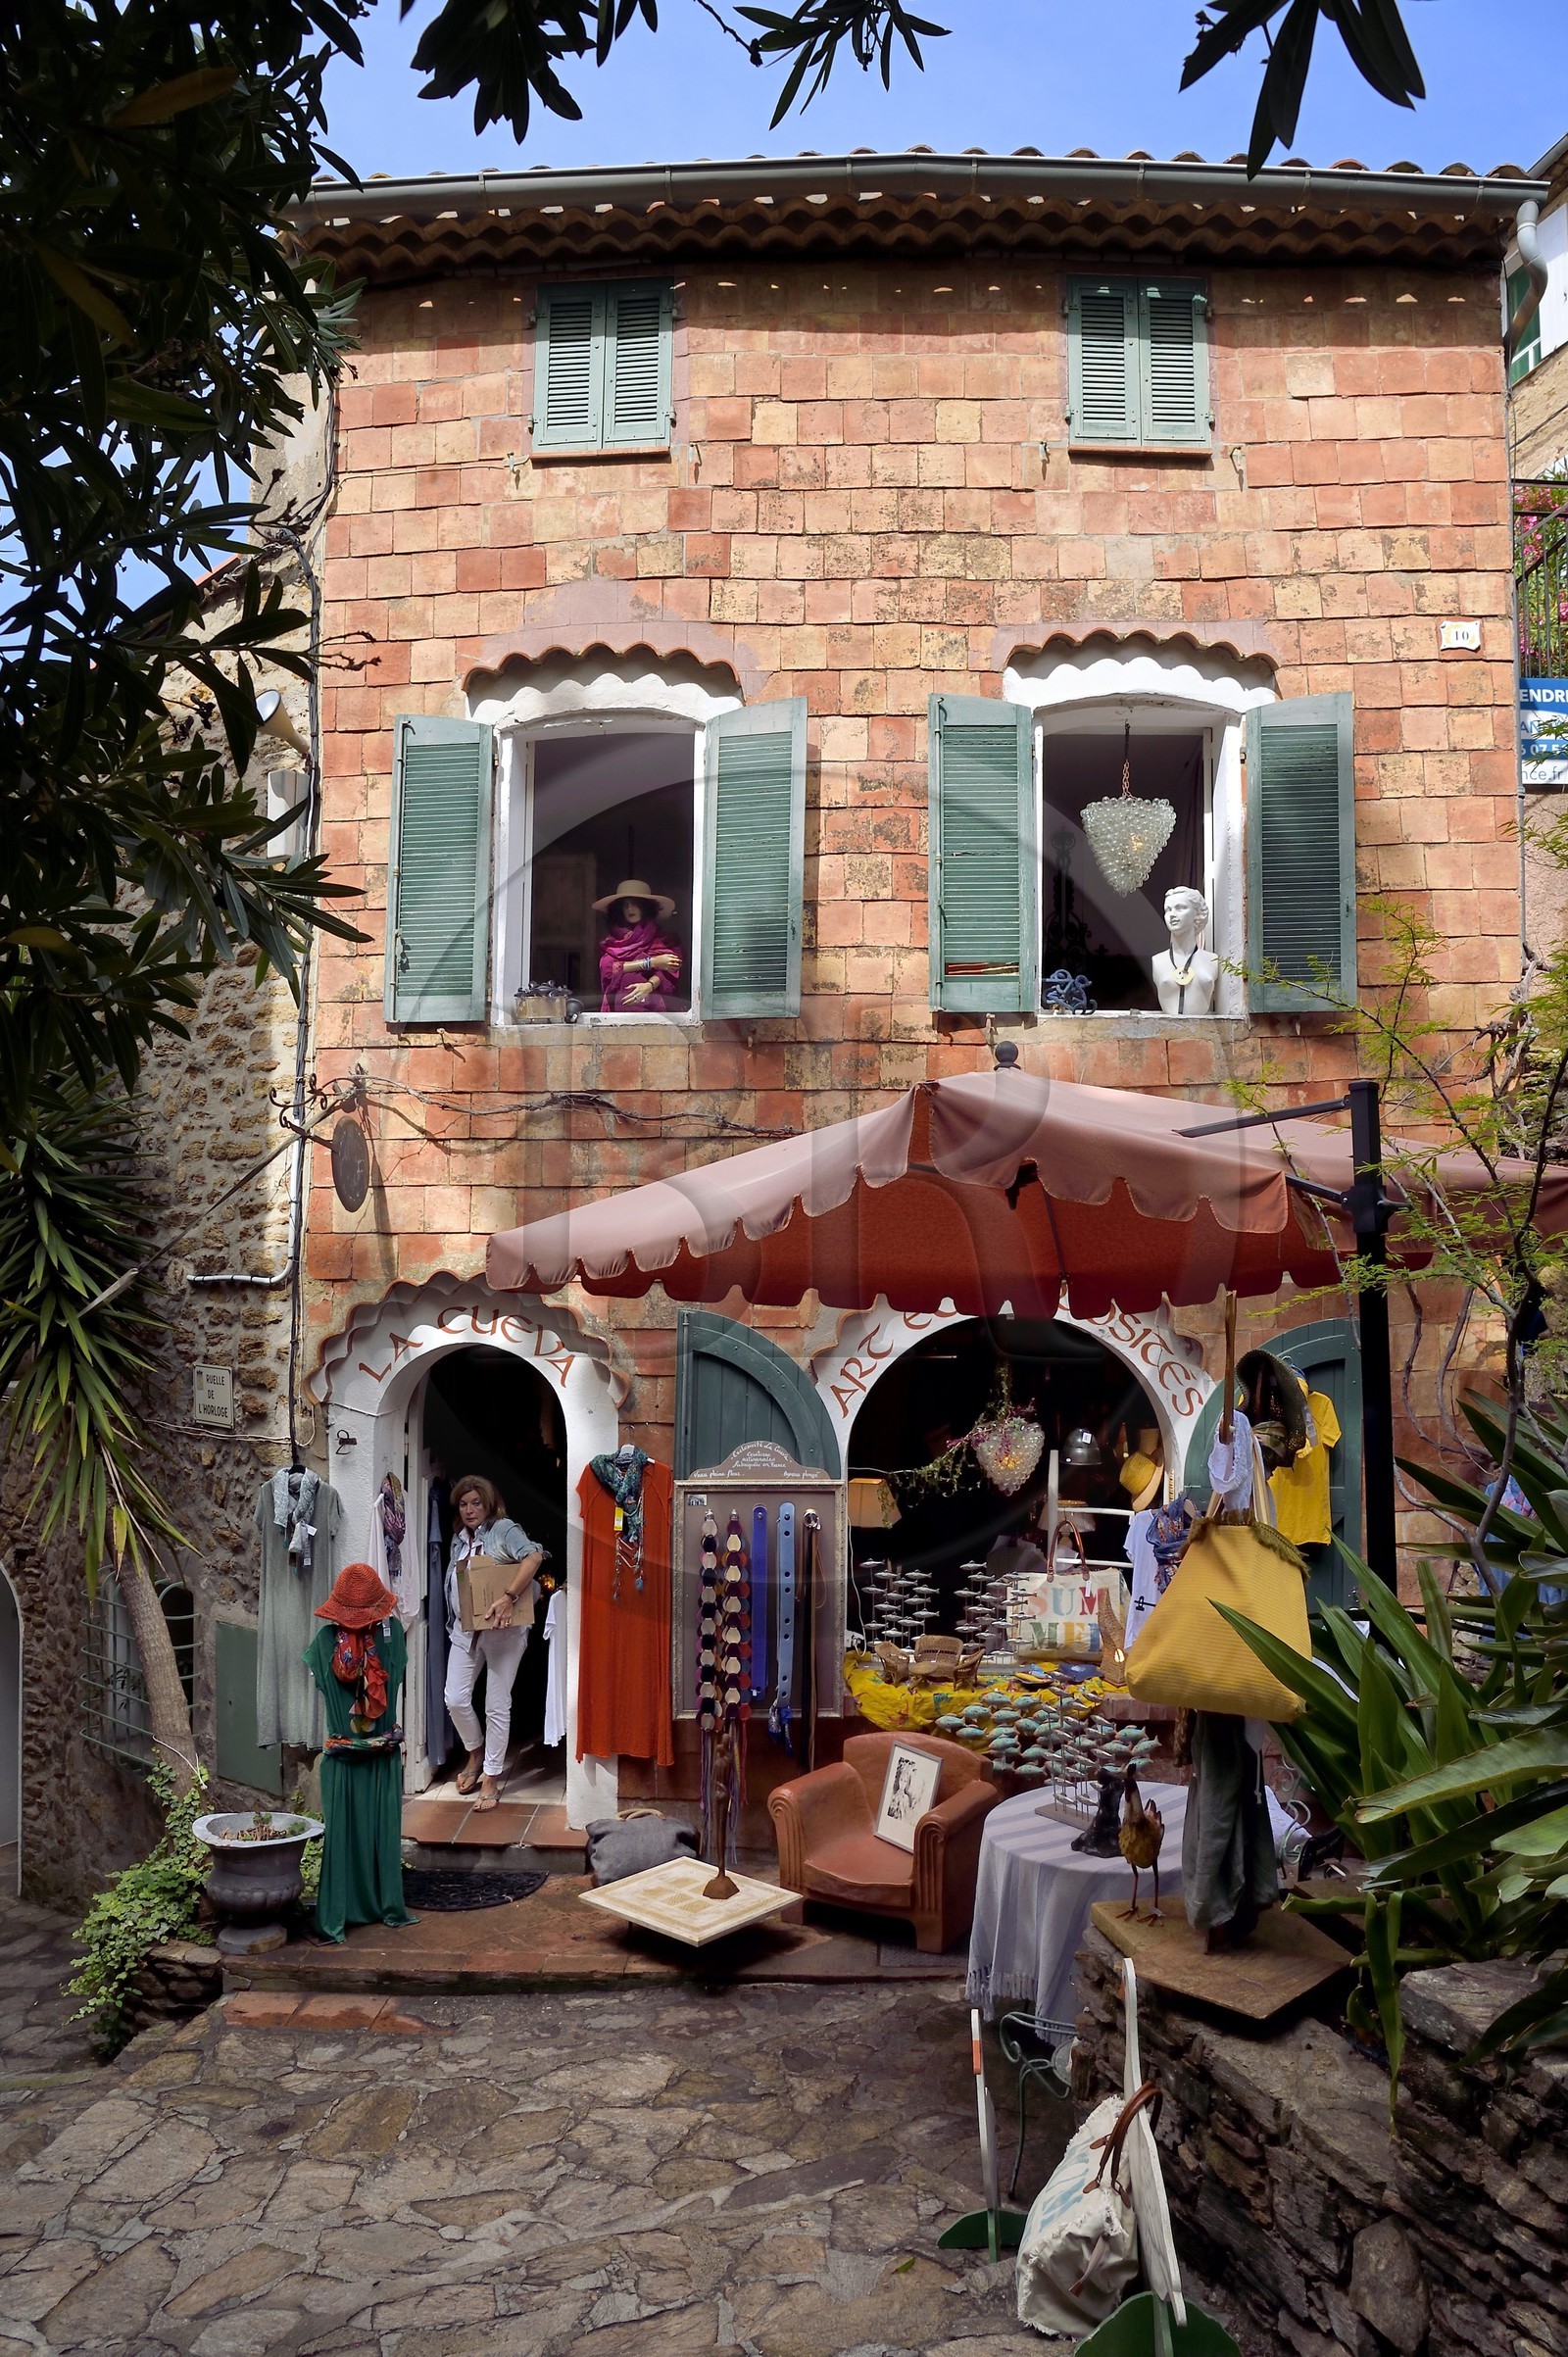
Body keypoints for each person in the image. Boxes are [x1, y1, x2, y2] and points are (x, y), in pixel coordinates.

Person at [304, 1560, 416, 1944]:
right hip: (370, 1759)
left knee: (358, 1837)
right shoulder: (393, 1634)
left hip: (355, 1759)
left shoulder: (324, 1643)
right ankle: (380, 1907)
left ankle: (351, 1912)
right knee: (364, 1836)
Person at [443, 1474, 546, 1812]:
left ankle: (490, 1776)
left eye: (476, 1502)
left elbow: (533, 1557)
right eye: (463, 1503)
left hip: (504, 1631)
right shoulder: (460, 1539)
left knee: (496, 1704)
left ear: (488, 1504)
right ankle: (475, 1750)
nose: (470, 1510)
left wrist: (508, 1596)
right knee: (455, 1698)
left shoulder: (503, 1529)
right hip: (465, 1630)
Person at [594, 877, 684, 1011]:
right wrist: (652, 962)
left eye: (635, 904)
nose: (630, 908)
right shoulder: (613, 941)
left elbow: (671, 968)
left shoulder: (663, 939)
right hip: (618, 1017)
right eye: (625, 905)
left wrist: (649, 985)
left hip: (655, 1015)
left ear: (645, 907)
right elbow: (608, 968)